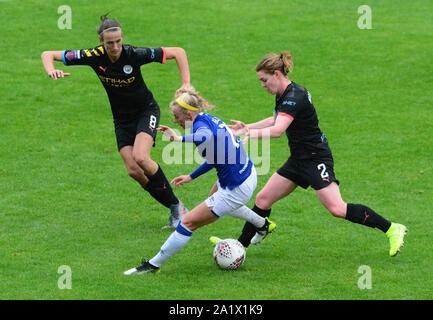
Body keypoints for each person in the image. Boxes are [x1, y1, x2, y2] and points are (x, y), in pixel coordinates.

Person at [212, 51, 407, 257]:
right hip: (298, 160)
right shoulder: (284, 94)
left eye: (264, 80)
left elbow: (278, 131)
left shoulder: (294, 97)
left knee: (337, 208)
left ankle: (392, 228)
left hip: (315, 159)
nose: (262, 85)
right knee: (263, 199)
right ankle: (239, 248)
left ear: (277, 74)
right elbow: (274, 120)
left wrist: (251, 133)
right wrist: (244, 128)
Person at [41, 15, 191, 228]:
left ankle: (178, 209)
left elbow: (178, 52)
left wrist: (185, 84)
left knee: (141, 157)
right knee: (133, 171)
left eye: (118, 41)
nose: (115, 47)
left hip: (145, 110)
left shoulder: (133, 54)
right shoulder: (93, 56)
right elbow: (48, 54)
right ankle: (176, 208)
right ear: (101, 42)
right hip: (122, 119)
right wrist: (51, 70)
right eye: (110, 43)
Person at [123, 86, 276, 274]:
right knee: (215, 198)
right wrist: (190, 176)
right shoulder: (206, 119)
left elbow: (206, 136)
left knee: (187, 222)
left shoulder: (200, 127)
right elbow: (216, 156)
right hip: (247, 174)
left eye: (177, 117)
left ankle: (153, 265)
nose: (176, 121)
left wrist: (177, 139)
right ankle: (263, 225)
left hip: (236, 187)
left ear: (188, 114)